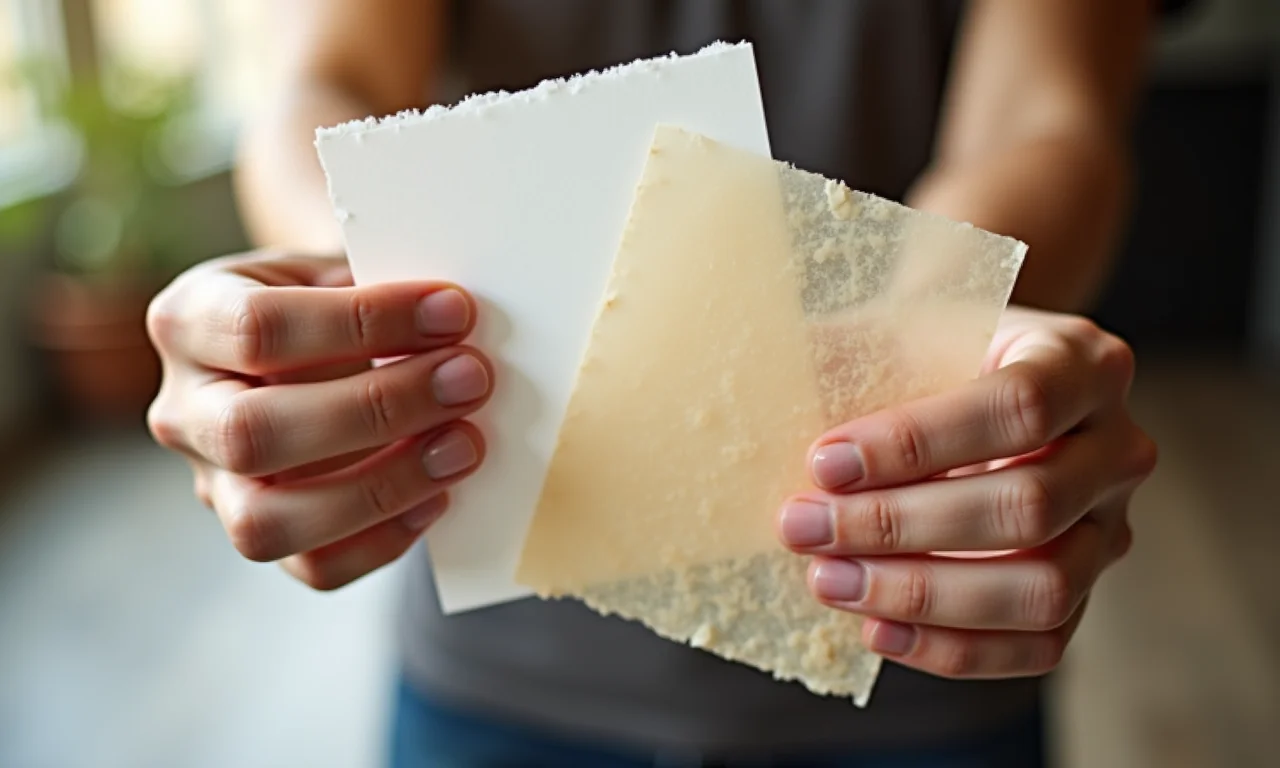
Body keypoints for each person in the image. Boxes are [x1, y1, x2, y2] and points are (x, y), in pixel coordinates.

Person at [145, 1, 1169, 765]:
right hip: (502, 660)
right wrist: (348, 306)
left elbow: (1046, 115)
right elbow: (328, 80)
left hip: (917, 633)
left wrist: (926, 341)